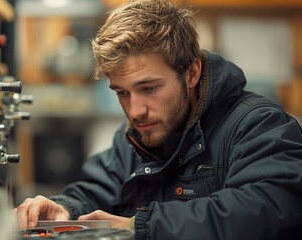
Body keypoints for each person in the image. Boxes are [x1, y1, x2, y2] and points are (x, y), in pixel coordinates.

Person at [15, 0, 302, 239]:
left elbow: (268, 210)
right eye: (122, 92)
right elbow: (96, 190)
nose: (135, 110)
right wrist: (64, 209)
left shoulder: (259, 126)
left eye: (149, 88)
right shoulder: (135, 137)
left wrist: (139, 226)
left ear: (191, 73)